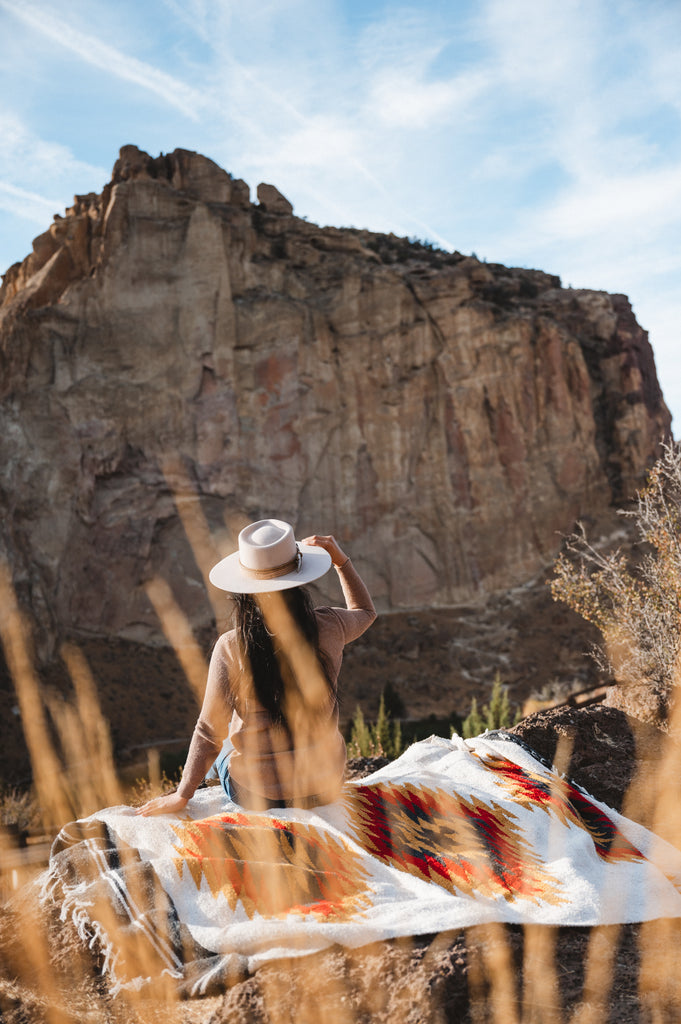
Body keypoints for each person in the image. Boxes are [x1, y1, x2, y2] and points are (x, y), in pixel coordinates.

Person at [137, 519, 376, 815]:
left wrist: (181, 796)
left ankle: (202, 790)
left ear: (245, 590)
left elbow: (208, 731)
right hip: (323, 785)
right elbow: (365, 612)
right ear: (300, 580)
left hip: (258, 794)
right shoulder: (330, 626)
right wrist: (341, 561)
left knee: (223, 748)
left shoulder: (232, 646)